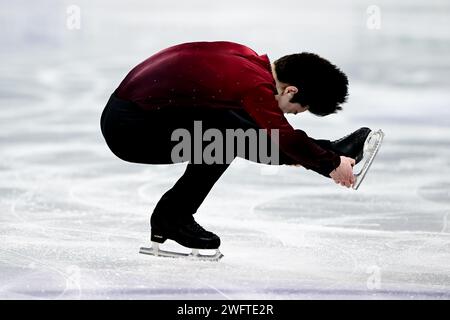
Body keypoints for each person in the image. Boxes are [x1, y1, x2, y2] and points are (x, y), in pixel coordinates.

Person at [100, 41, 373, 258]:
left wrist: (314, 158)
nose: (295, 114)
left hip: (140, 112)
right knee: (225, 141)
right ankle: (172, 218)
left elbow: (261, 130)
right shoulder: (254, 84)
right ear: (290, 91)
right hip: (130, 130)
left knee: (232, 126)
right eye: (300, 109)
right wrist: (328, 165)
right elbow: (282, 136)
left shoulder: (246, 58)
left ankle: (330, 151)